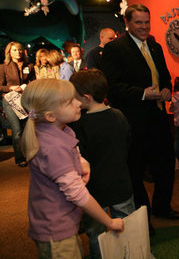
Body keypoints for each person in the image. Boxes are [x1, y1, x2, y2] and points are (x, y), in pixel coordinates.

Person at [20, 78, 124, 258]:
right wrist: (109, 222)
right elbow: (78, 194)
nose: (78, 103)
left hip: (64, 223)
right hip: (56, 229)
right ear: (51, 116)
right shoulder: (53, 148)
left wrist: (83, 163)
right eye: (70, 102)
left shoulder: (62, 130)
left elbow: (74, 152)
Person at [101, 4, 179, 224]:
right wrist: (143, 94)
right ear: (126, 23)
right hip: (132, 120)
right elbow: (112, 86)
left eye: (147, 22)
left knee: (166, 164)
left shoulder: (154, 46)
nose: (144, 27)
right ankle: (142, 217)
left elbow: (164, 76)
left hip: (158, 117)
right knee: (134, 170)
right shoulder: (114, 48)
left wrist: (167, 89)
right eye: (138, 22)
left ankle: (162, 207)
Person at [69, 69, 134, 259]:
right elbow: (128, 143)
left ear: (86, 98)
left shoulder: (79, 124)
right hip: (121, 181)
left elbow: (79, 156)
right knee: (126, 227)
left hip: (93, 188)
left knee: (96, 232)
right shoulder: (119, 115)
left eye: (75, 97)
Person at [0, 41, 35, 166]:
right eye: (14, 50)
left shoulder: (29, 66)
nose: (18, 52)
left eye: (19, 49)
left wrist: (24, 86)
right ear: (9, 52)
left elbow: (33, 82)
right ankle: (20, 158)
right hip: (10, 101)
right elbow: (0, 86)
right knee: (17, 131)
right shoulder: (3, 67)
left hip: (25, 100)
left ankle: (29, 155)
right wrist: (11, 88)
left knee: (28, 129)